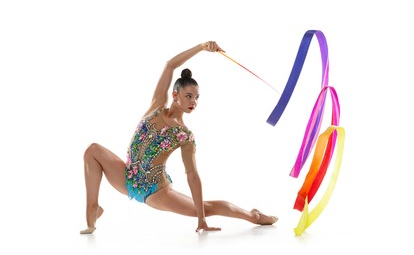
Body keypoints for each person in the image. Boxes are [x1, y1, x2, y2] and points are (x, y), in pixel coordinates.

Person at [80, 41, 278, 234]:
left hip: (155, 190)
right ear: (175, 95)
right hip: (128, 177)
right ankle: (93, 209)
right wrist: (201, 47)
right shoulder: (157, 106)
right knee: (92, 150)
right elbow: (170, 65)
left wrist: (201, 218)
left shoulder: (185, 135)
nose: (194, 102)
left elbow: (192, 175)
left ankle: (254, 216)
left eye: (197, 97)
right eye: (189, 96)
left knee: (206, 207)